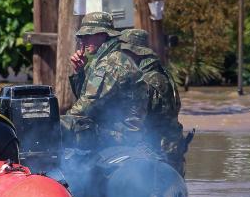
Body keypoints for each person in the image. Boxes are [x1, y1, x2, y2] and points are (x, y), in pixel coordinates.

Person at [61, 12, 148, 150]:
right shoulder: (105, 59)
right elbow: (85, 98)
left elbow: (86, 106)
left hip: (123, 136)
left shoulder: (111, 63)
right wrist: (80, 72)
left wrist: (56, 124)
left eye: (88, 35)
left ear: (103, 35)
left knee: (63, 132)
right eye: (82, 37)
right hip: (114, 130)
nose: (83, 41)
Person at [119, 28, 188, 175]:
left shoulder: (148, 80)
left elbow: (136, 120)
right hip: (170, 151)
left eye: (125, 53)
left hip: (160, 155)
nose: (122, 57)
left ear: (135, 53)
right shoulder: (158, 73)